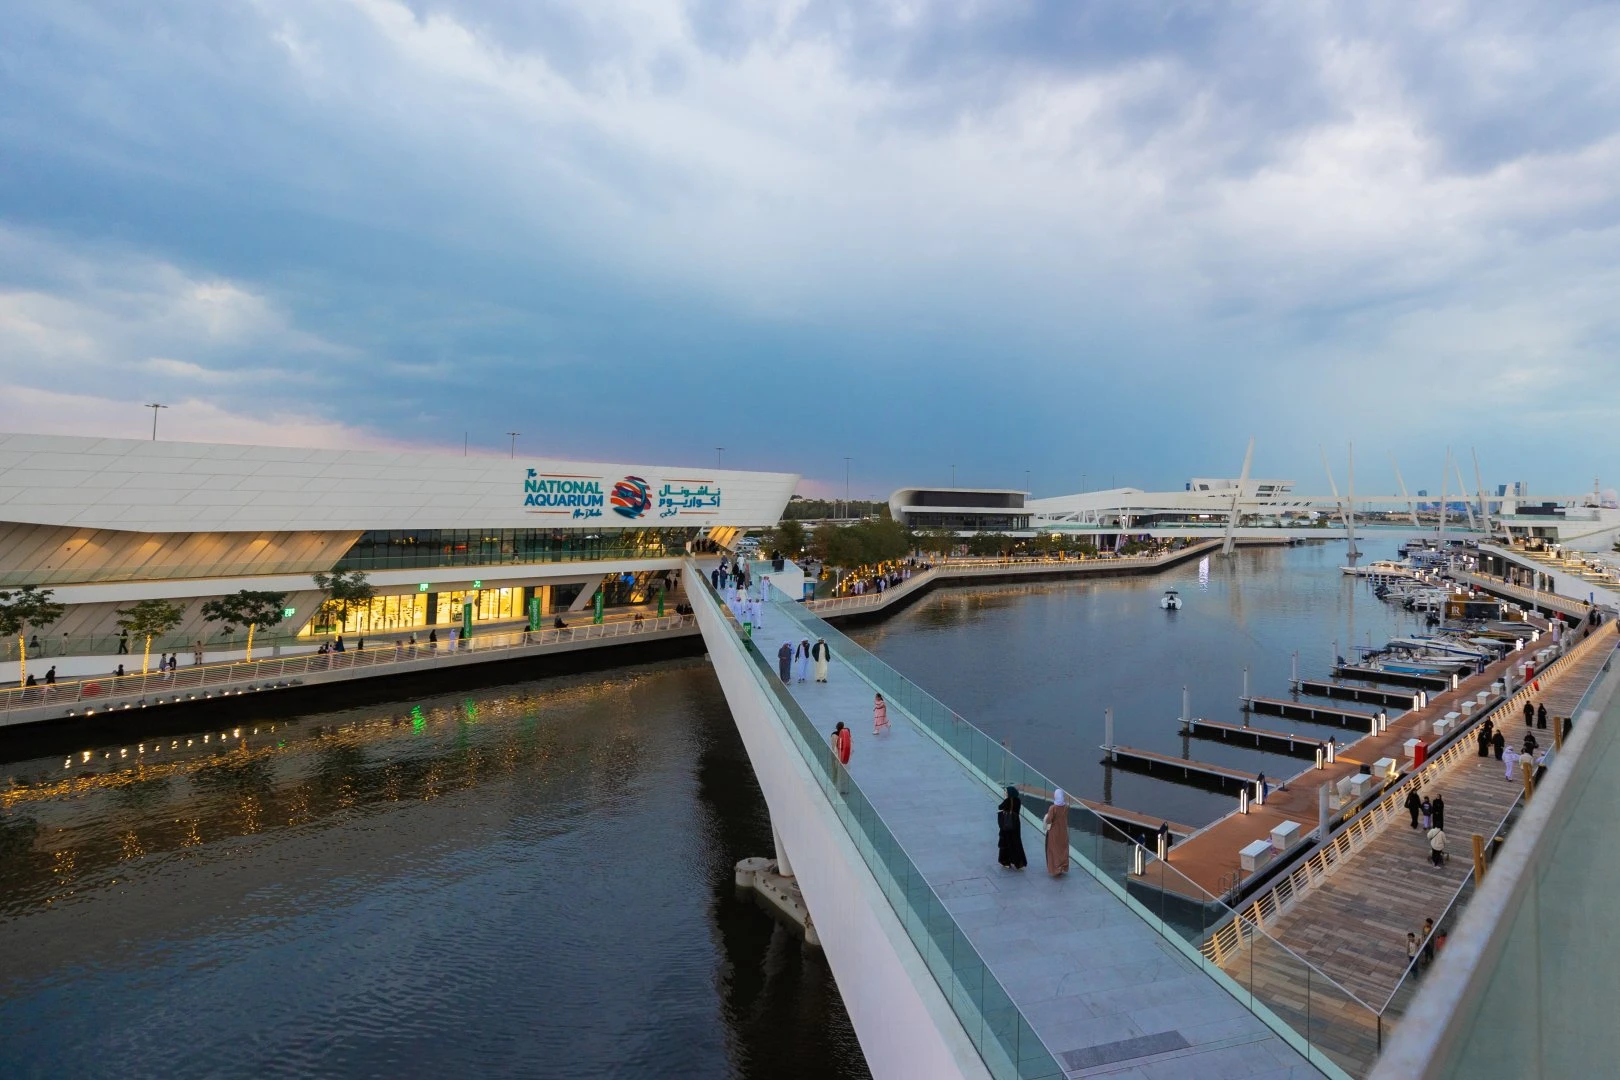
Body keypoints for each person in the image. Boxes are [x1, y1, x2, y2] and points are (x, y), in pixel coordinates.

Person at [997, 786, 1028, 870]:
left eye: (1006, 792)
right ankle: (1019, 862)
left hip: (1007, 825)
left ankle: (1006, 862)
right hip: (1015, 824)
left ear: (1009, 793)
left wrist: (1005, 799)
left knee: (1006, 843)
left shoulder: (1007, 801)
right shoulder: (1018, 800)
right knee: (1016, 842)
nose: (1005, 793)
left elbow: (1000, 807)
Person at [1044, 788, 1070, 876]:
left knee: (1054, 850)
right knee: (1063, 849)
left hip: (1054, 832)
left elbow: (1049, 820)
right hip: (1063, 831)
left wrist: (1046, 818)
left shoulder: (1053, 808)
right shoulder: (1066, 807)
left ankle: (1056, 868)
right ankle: (1063, 866)